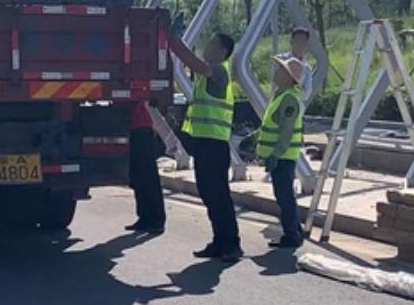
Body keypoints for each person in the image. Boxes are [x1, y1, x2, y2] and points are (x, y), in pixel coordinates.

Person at [169, 29, 242, 263]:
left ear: (222, 52)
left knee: (218, 195)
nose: (206, 48)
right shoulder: (208, 74)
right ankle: (220, 241)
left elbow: (193, 62)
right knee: (209, 193)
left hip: (215, 145)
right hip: (204, 143)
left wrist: (172, 40)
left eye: (211, 45)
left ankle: (231, 244)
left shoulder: (219, 71)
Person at [258, 57, 305, 249]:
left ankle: (292, 235)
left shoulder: (288, 99)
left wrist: (275, 154)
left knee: (284, 196)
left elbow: (286, 131)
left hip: (283, 157)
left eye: (280, 70)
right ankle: (296, 231)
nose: (276, 72)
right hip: (281, 156)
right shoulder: (281, 95)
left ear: (289, 77)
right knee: (284, 195)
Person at [126, 102, 166, 235]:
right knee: (138, 178)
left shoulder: (138, 99)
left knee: (148, 177)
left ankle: (157, 220)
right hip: (135, 129)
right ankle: (144, 218)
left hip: (142, 130)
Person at [273, 27, 314, 104]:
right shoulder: (280, 59)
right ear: (291, 42)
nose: (300, 45)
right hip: (277, 104)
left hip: (294, 107)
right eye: (297, 41)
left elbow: (306, 95)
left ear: (307, 45)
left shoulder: (307, 69)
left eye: (303, 41)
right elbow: (276, 80)